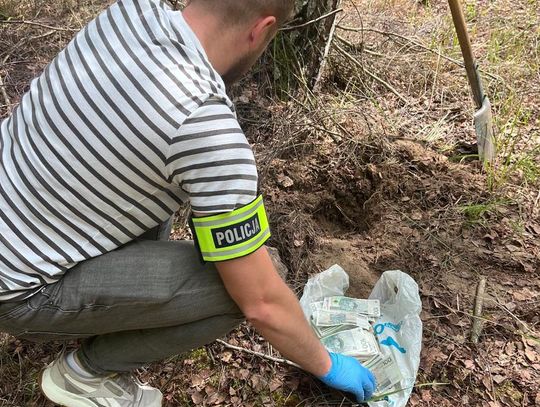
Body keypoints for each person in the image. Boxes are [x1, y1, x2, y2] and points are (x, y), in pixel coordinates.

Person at [0, 0, 376, 405]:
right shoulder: (205, 128)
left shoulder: (129, 13)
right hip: (18, 291)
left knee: (157, 185)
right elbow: (262, 303)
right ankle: (84, 375)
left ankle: (104, 317)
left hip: (21, 214)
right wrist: (328, 365)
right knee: (241, 288)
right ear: (262, 29)